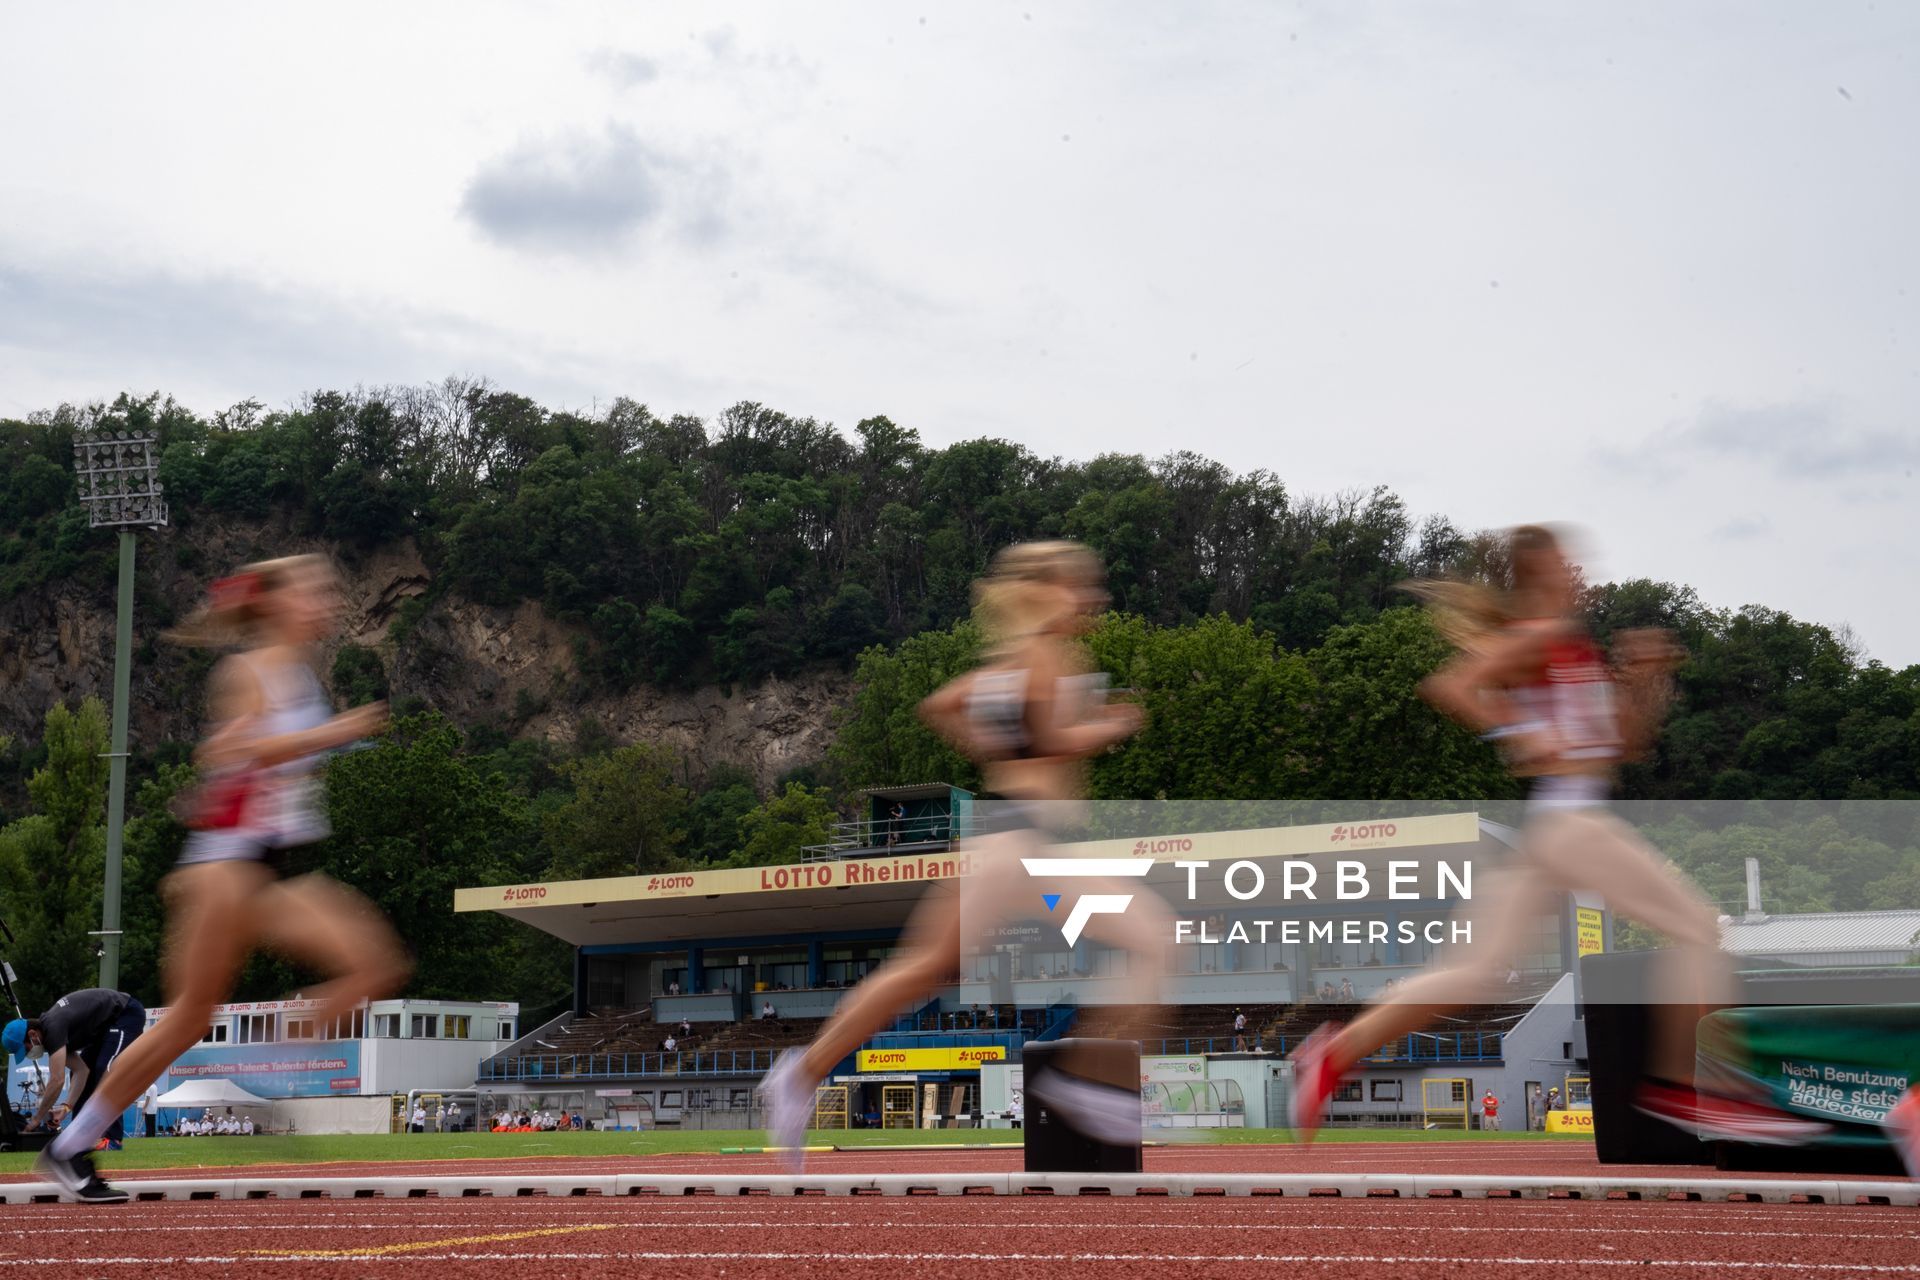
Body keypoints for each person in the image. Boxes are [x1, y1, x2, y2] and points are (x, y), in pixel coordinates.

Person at [1288, 526, 1823, 1147]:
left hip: (1554, 829)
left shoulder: (1576, 651)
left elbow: (1622, 746)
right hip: (1571, 823)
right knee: (1699, 929)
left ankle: (1330, 1054)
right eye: (1566, 564)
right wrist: (1517, 731)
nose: (1579, 574)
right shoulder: (1542, 636)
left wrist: (1647, 683)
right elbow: (1453, 686)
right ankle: (1687, 1085)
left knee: (1475, 972)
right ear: (1538, 570)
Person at [761, 541, 1169, 1169]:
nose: (1094, 599)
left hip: (1003, 840)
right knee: (1156, 941)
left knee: (923, 967)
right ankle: (1084, 1082)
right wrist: (1109, 726)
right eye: (1082, 586)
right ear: (1049, 591)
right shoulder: (1046, 650)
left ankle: (801, 1075)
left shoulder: (1011, 657)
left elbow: (941, 705)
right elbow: (1052, 741)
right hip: (1030, 845)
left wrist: (991, 743)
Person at [31, 556, 412, 1204]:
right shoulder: (246, 672)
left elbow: (253, 766)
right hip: (226, 870)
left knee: (377, 966)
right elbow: (228, 752)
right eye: (312, 589)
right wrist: (332, 733)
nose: (325, 600)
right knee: (185, 1020)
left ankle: (285, 1041)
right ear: (274, 603)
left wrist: (332, 745)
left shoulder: (299, 679)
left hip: (265, 870)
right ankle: (70, 1147)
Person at [5, 988, 147, 1162]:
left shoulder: (53, 1027)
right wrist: (65, 1108)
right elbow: (81, 1071)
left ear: (32, 1034)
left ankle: (113, 1138)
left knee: (105, 1070)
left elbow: (56, 1080)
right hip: (105, 1028)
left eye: (26, 1049)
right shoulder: (52, 1035)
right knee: (83, 1072)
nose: (28, 1054)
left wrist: (36, 1119)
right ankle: (81, 1137)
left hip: (125, 1014)